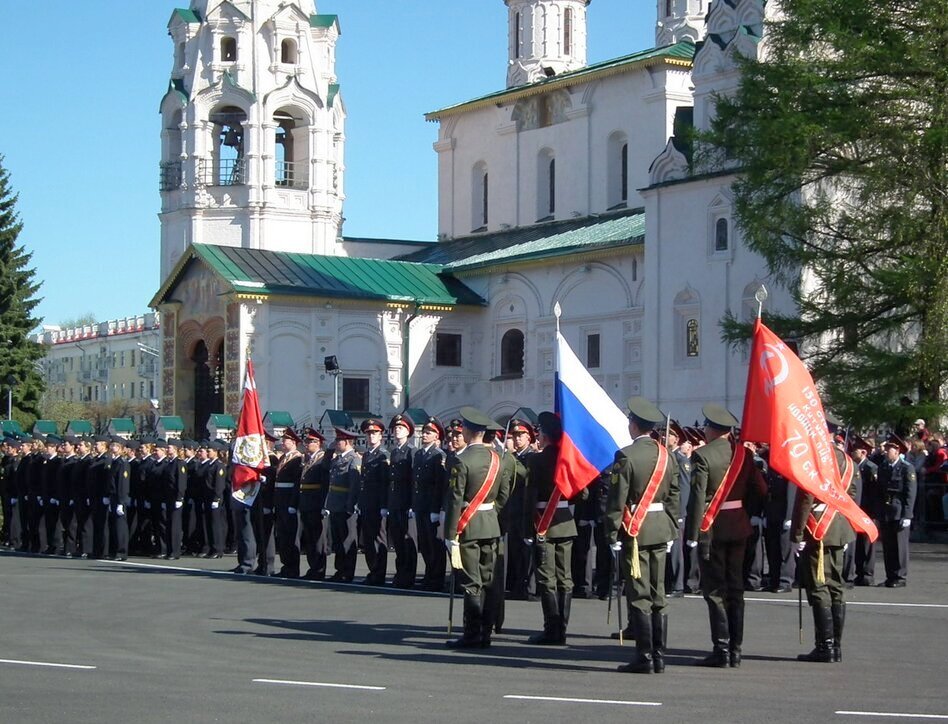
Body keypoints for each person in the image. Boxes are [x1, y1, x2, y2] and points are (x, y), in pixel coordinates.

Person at [686, 404, 767, 668]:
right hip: (740, 526)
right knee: (736, 588)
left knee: (714, 590)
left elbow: (698, 499)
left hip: (714, 528)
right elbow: (760, 489)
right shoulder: (744, 454)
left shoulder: (702, 456)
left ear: (711, 429)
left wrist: (693, 533)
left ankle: (721, 649)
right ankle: (736, 649)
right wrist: (747, 511)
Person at [606, 397, 680, 673]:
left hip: (635, 530)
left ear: (633, 425)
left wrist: (612, 532)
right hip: (661, 528)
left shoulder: (626, 456)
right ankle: (660, 656)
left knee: (639, 594)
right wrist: (672, 525)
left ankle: (645, 658)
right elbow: (674, 495)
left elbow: (617, 500)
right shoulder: (667, 455)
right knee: (658, 593)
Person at [445, 407, 511, 649]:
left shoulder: (462, 461)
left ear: (467, 430)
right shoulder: (498, 459)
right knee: (488, 580)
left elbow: (454, 499)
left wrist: (450, 534)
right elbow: (503, 495)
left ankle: (472, 634)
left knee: (471, 582)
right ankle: (486, 632)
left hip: (469, 527)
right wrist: (490, 513)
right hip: (490, 525)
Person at [791, 433, 857, 663]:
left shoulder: (816, 459)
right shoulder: (847, 460)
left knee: (818, 585)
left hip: (818, 528)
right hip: (839, 526)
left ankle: (825, 646)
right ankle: (835, 646)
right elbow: (852, 495)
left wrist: (797, 532)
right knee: (836, 585)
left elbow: (806, 497)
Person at [523, 412, 575, 645]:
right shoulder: (568, 459)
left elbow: (530, 496)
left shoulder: (536, 460)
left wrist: (527, 528)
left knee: (546, 578)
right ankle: (562, 628)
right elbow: (581, 493)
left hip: (544, 521)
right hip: (565, 520)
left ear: (543, 436)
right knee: (565, 578)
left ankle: (551, 630)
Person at [413, 417, 448, 592]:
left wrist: (436, 509)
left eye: (429, 432)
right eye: (424, 432)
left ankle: (437, 577)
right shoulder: (419, 454)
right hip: (420, 504)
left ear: (437, 436)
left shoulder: (438, 455)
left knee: (435, 544)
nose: (424, 435)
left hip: (431, 505)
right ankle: (428, 574)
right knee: (424, 542)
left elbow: (439, 485)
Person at [877, 435, 917, 587]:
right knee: (888, 546)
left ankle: (900, 577)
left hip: (899, 511)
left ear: (897, 451)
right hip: (887, 511)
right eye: (886, 449)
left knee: (900, 546)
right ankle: (890, 575)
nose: (887, 452)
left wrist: (907, 515)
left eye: (890, 449)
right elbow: (879, 491)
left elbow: (910, 493)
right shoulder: (883, 467)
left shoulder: (907, 468)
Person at [505, 419, 538, 600]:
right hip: (513, 509)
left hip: (526, 510)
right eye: (514, 436)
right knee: (515, 550)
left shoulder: (532, 457)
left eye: (520, 435)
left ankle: (529, 587)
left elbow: (527, 479)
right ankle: (517, 584)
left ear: (529, 437)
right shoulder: (515, 457)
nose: (517, 439)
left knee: (527, 551)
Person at [325, 426, 362, 583]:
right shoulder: (337, 458)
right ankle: (340, 570)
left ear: (347, 442)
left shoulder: (354, 459)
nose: (336, 443)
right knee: (338, 540)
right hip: (335, 503)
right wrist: (328, 451)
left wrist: (350, 505)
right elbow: (325, 468)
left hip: (346, 504)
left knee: (348, 540)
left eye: (338, 440)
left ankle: (348, 571)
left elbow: (354, 484)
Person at [387, 414, 417, 588]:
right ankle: (400, 573)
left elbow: (413, 480)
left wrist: (412, 504)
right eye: (396, 428)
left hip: (405, 502)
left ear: (408, 432)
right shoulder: (395, 451)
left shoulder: (411, 452)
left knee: (407, 540)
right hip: (395, 501)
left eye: (401, 428)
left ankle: (408, 575)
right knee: (398, 540)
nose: (397, 430)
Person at [358, 418, 390, 586]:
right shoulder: (367, 455)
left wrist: (384, 505)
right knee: (369, 540)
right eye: (369, 433)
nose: (371, 436)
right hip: (366, 503)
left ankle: (379, 573)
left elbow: (385, 482)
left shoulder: (383, 455)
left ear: (381, 436)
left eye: (375, 433)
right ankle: (373, 571)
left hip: (377, 504)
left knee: (379, 539)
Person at [298, 428, 330, 580]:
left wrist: (324, 504)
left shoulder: (323, 459)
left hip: (316, 501)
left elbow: (325, 483)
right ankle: (313, 567)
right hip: (306, 502)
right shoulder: (308, 458)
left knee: (318, 538)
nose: (307, 444)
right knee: (309, 536)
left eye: (311, 441)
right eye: (307, 441)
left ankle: (319, 569)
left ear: (319, 443)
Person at [273, 428, 304, 579]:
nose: (282, 443)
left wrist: (293, 503)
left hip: (289, 499)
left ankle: (293, 567)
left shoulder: (297, 459)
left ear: (294, 442)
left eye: (285, 441)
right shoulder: (283, 458)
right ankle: (286, 565)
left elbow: (296, 483)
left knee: (292, 535)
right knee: (283, 535)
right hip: (280, 499)